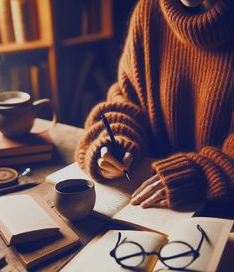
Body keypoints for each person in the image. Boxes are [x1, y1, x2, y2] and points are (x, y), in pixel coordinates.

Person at [75, 0, 234, 210]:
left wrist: (201, 176)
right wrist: (116, 140)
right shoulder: (149, 11)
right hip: (152, 207)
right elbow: (127, 97)